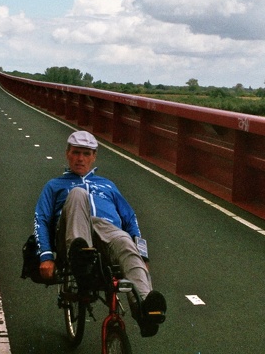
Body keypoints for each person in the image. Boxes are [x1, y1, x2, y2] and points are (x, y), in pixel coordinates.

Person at [33, 130, 167, 337]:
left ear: (94, 156)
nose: (80, 159)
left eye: (86, 154)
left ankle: (144, 310)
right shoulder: (54, 185)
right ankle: (82, 257)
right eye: (76, 153)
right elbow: (41, 219)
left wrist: (144, 254)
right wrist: (47, 256)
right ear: (67, 153)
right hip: (72, 238)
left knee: (124, 239)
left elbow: (130, 219)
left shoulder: (108, 185)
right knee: (78, 194)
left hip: (107, 234)